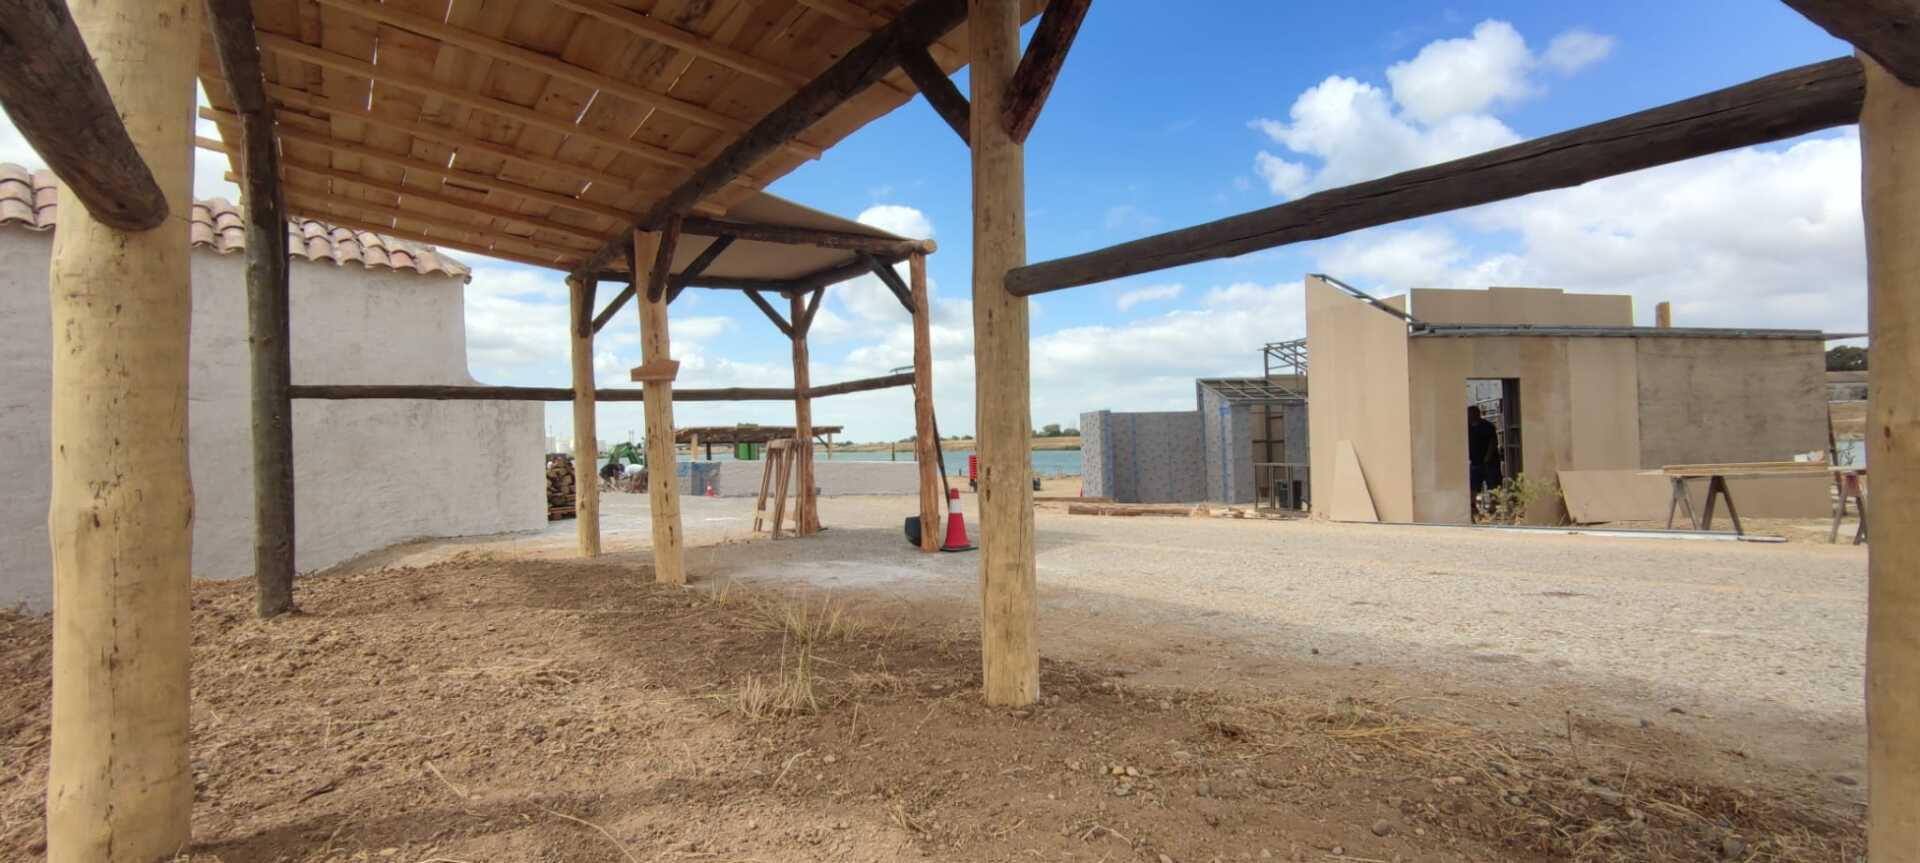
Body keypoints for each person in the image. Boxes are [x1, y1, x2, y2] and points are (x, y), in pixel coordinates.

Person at [1467, 405, 1504, 504]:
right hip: (1475, 462)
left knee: (1493, 486)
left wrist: (1487, 458)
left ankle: (1494, 508)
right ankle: (1472, 507)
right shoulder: (1467, 428)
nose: (1469, 416)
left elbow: (1493, 443)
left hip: (1490, 462)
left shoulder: (1488, 426)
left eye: (1471, 414)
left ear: (1477, 414)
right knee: (1472, 486)